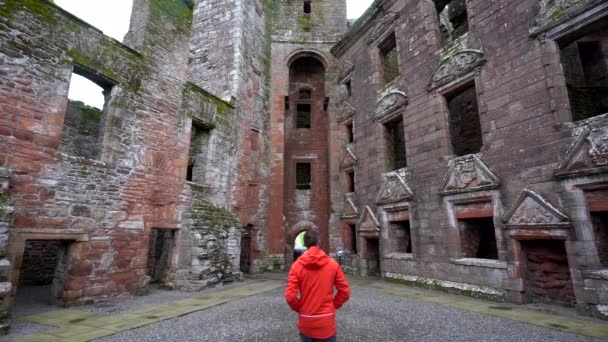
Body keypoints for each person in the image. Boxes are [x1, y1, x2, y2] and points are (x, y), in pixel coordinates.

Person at [285, 229, 350, 342]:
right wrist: (333, 305)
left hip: (306, 320)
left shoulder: (297, 266)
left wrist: (300, 308)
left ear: (305, 244)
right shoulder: (332, 264)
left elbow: (290, 296)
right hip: (326, 320)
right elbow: (345, 292)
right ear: (319, 242)